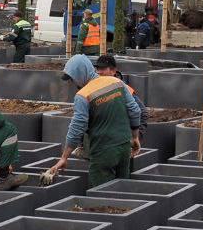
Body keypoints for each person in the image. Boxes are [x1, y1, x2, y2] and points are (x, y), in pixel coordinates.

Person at [49, 54, 141, 187]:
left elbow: (77, 128)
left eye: (73, 79)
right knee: (122, 191)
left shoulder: (83, 95)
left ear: (80, 74)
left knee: (100, 197)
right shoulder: (117, 82)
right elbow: (135, 110)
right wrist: (135, 137)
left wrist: (64, 157)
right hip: (124, 147)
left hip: (103, 152)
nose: (73, 83)